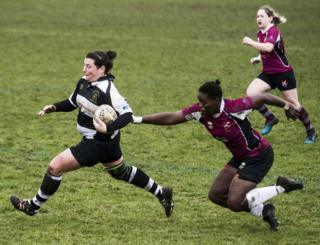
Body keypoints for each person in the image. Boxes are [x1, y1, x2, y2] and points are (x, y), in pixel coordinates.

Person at [10, 50, 174, 218]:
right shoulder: (83, 82)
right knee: (120, 172)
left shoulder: (108, 90)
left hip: (97, 142)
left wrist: (107, 128)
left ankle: (32, 206)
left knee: (55, 167)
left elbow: (127, 115)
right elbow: (72, 102)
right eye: (84, 65)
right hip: (107, 142)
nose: (84, 69)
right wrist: (54, 107)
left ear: (101, 69)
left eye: (88, 66)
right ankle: (162, 193)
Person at [128, 80, 303, 230]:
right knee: (216, 195)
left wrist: (286, 106)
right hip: (240, 156)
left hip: (258, 155)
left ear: (217, 99)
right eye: (200, 102)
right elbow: (171, 118)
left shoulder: (235, 107)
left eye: (205, 102)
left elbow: (263, 97)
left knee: (234, 202)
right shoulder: (200, 112)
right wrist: (138, 119)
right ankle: (264, 210)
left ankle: (281, 186)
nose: (201, 106)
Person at [242, 5, 316, 144]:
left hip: (283, 74)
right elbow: (265, 49)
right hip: (268, 74)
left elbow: (269, 47)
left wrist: (250, 42)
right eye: (257, 16)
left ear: (270, 18)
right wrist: (258, 58)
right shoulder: (261, 32)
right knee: (251, 93)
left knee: (293, 104)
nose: (259, 18)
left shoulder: (273, 31)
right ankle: (270, 118)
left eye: (262, 16)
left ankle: (311, 131)